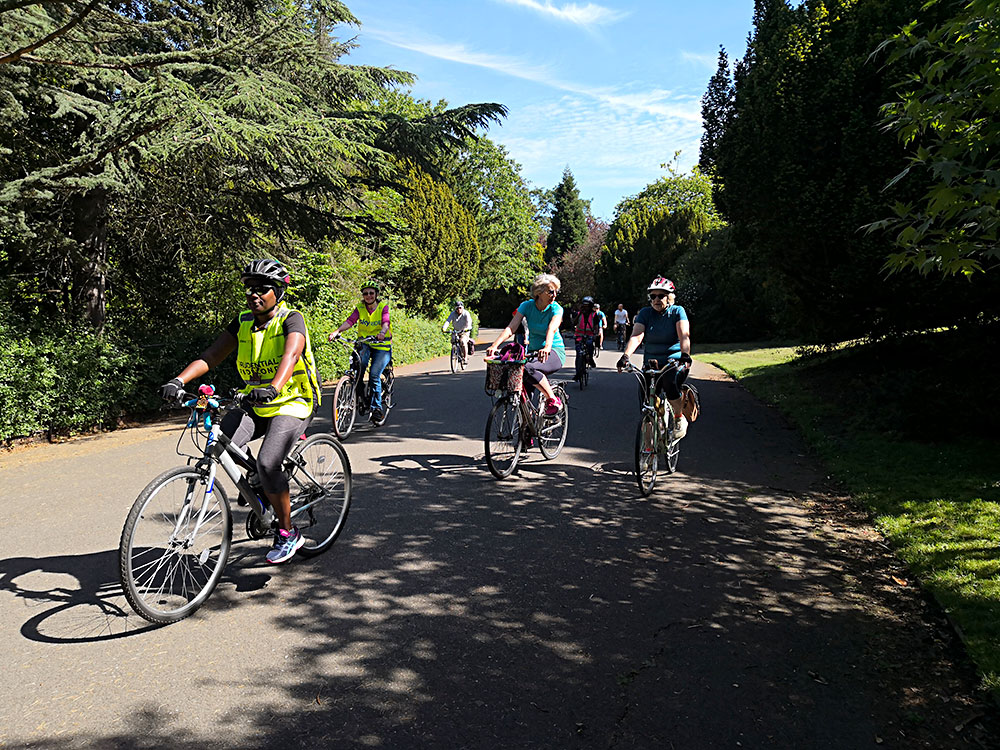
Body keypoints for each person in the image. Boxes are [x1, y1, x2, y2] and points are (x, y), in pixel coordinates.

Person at [158, 259, 321, 564]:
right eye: (249, 289)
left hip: (292, 400)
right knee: (223, 445)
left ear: (279, 291)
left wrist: (274, 386)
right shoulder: (243, 321)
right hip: (255, 401)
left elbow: (292, 353)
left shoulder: (291, 319)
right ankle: (265, 492)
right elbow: (211, 355)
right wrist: (179, 380)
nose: (254, 294)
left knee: (268, 462)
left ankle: (288, 532)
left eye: (262, 289)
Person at [616, 277, 693, 439]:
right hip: (652, 364)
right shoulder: (645, 313)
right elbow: (637, 336)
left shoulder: (677, 311)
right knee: (646, 402)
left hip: (675, 362)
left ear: (670, 297)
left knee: (669, 382)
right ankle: (649, 449)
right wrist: (625, 356)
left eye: (661, 296)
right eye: (653, 296)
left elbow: (684, 336)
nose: (657, 299)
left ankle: (679, 418)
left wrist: (685, 356)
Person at [485, 273, 566, 415]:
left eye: (556, 291)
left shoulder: (556, 308)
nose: (554, 295)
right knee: (520, 389)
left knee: (527, 368)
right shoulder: (527, 306)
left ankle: (552, 399)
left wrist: (547, 347)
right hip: (533, 352)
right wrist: (495, 345)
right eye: (550, 291)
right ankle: (527, 432)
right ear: (539, 293)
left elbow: (552, 329)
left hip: (554, 350)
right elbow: (511, 327)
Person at [328, 280, 392, 423]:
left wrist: (382, 332)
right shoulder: (360, 308)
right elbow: (350, 321)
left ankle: (376, 408)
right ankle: (360, 395)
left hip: (382, 345)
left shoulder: (383, 307)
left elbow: (385, 322)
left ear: (376, 294)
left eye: (371, 293)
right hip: (365, 343)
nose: (368, 296)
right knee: (358, 368)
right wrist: (337, 331)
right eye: (365, 293)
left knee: (374, 374)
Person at [572, 296, 600, 380]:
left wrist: (596, 334)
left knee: (589, 344)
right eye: (584, 306)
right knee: (579, 354)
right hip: (579, 335)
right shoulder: (579, 313)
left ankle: (590, 358)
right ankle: (578, 373)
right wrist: (580, 313)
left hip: (590, 335)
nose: (586, 308)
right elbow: (574, 322)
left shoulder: (594, 314)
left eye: (587, 306)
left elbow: (596, 326)